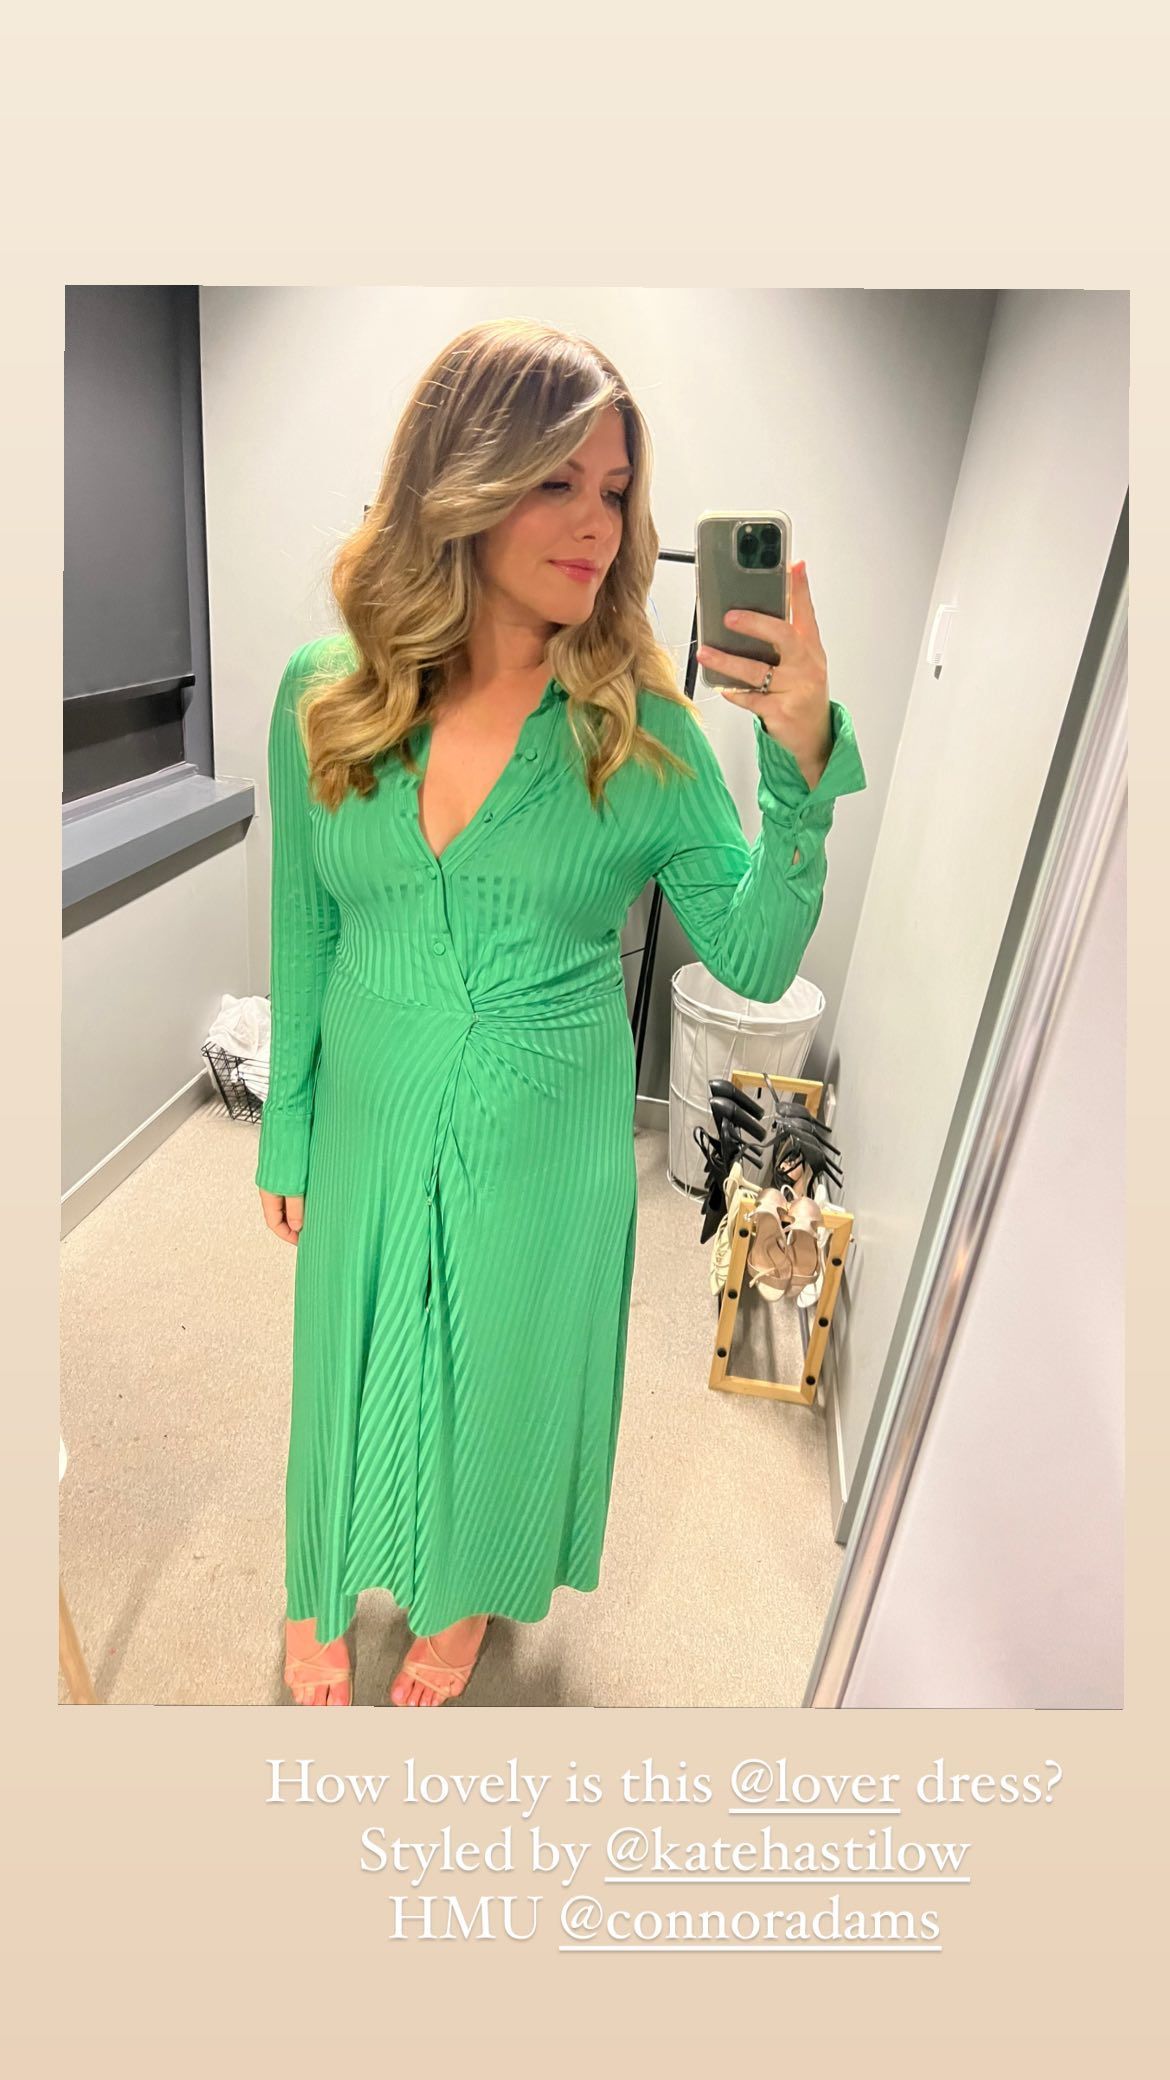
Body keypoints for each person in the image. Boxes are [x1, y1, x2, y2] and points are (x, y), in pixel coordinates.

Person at [255, 318, 867, 1707]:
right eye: (556, 481)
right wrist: (286, 1123)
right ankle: (322, 1575)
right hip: (372, 1087)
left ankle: (466, 1589)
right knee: (346, 1341)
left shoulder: (638, 730)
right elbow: (306, 923)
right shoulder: (324, 694)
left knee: (500, 1362)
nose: (597, 524)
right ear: (459, 480)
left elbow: (753, 956)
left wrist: (796, 765)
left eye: (615, 492)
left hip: (549, 1119)